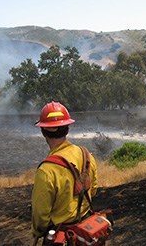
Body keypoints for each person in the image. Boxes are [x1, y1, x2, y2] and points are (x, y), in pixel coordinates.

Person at [31, 101, 98, 242]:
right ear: (67, 129)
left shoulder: (46, 171)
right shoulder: (86, 155)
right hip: (86, 233)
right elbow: (93, 189)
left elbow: (40, 215)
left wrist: (38, 231)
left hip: (63, 237)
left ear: (43, 132)